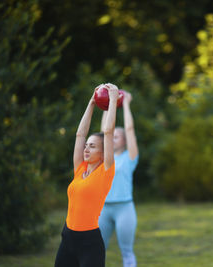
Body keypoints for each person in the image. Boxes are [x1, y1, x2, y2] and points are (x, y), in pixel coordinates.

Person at [55, 83, 120, 267]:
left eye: (92, 146)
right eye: (86, 146)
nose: (86, 148)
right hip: (67, 238)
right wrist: (91, 103)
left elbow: (108, 132)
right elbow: (79, 135)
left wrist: (113, 100)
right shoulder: (80, 169)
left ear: (103, 152)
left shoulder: (106, 172)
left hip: (89, 243)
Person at [99, 90, 139, 267]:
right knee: (97, 249)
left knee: (127, 251)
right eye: (111, 137)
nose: (112, 139)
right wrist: (106, 104)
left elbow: (129, 129)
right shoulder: (103, 157)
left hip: (125, 208)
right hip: (103, 209)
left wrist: (127, 104)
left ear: (124, 141)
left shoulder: (130, 157)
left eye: (117, 137)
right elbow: (104, 131)